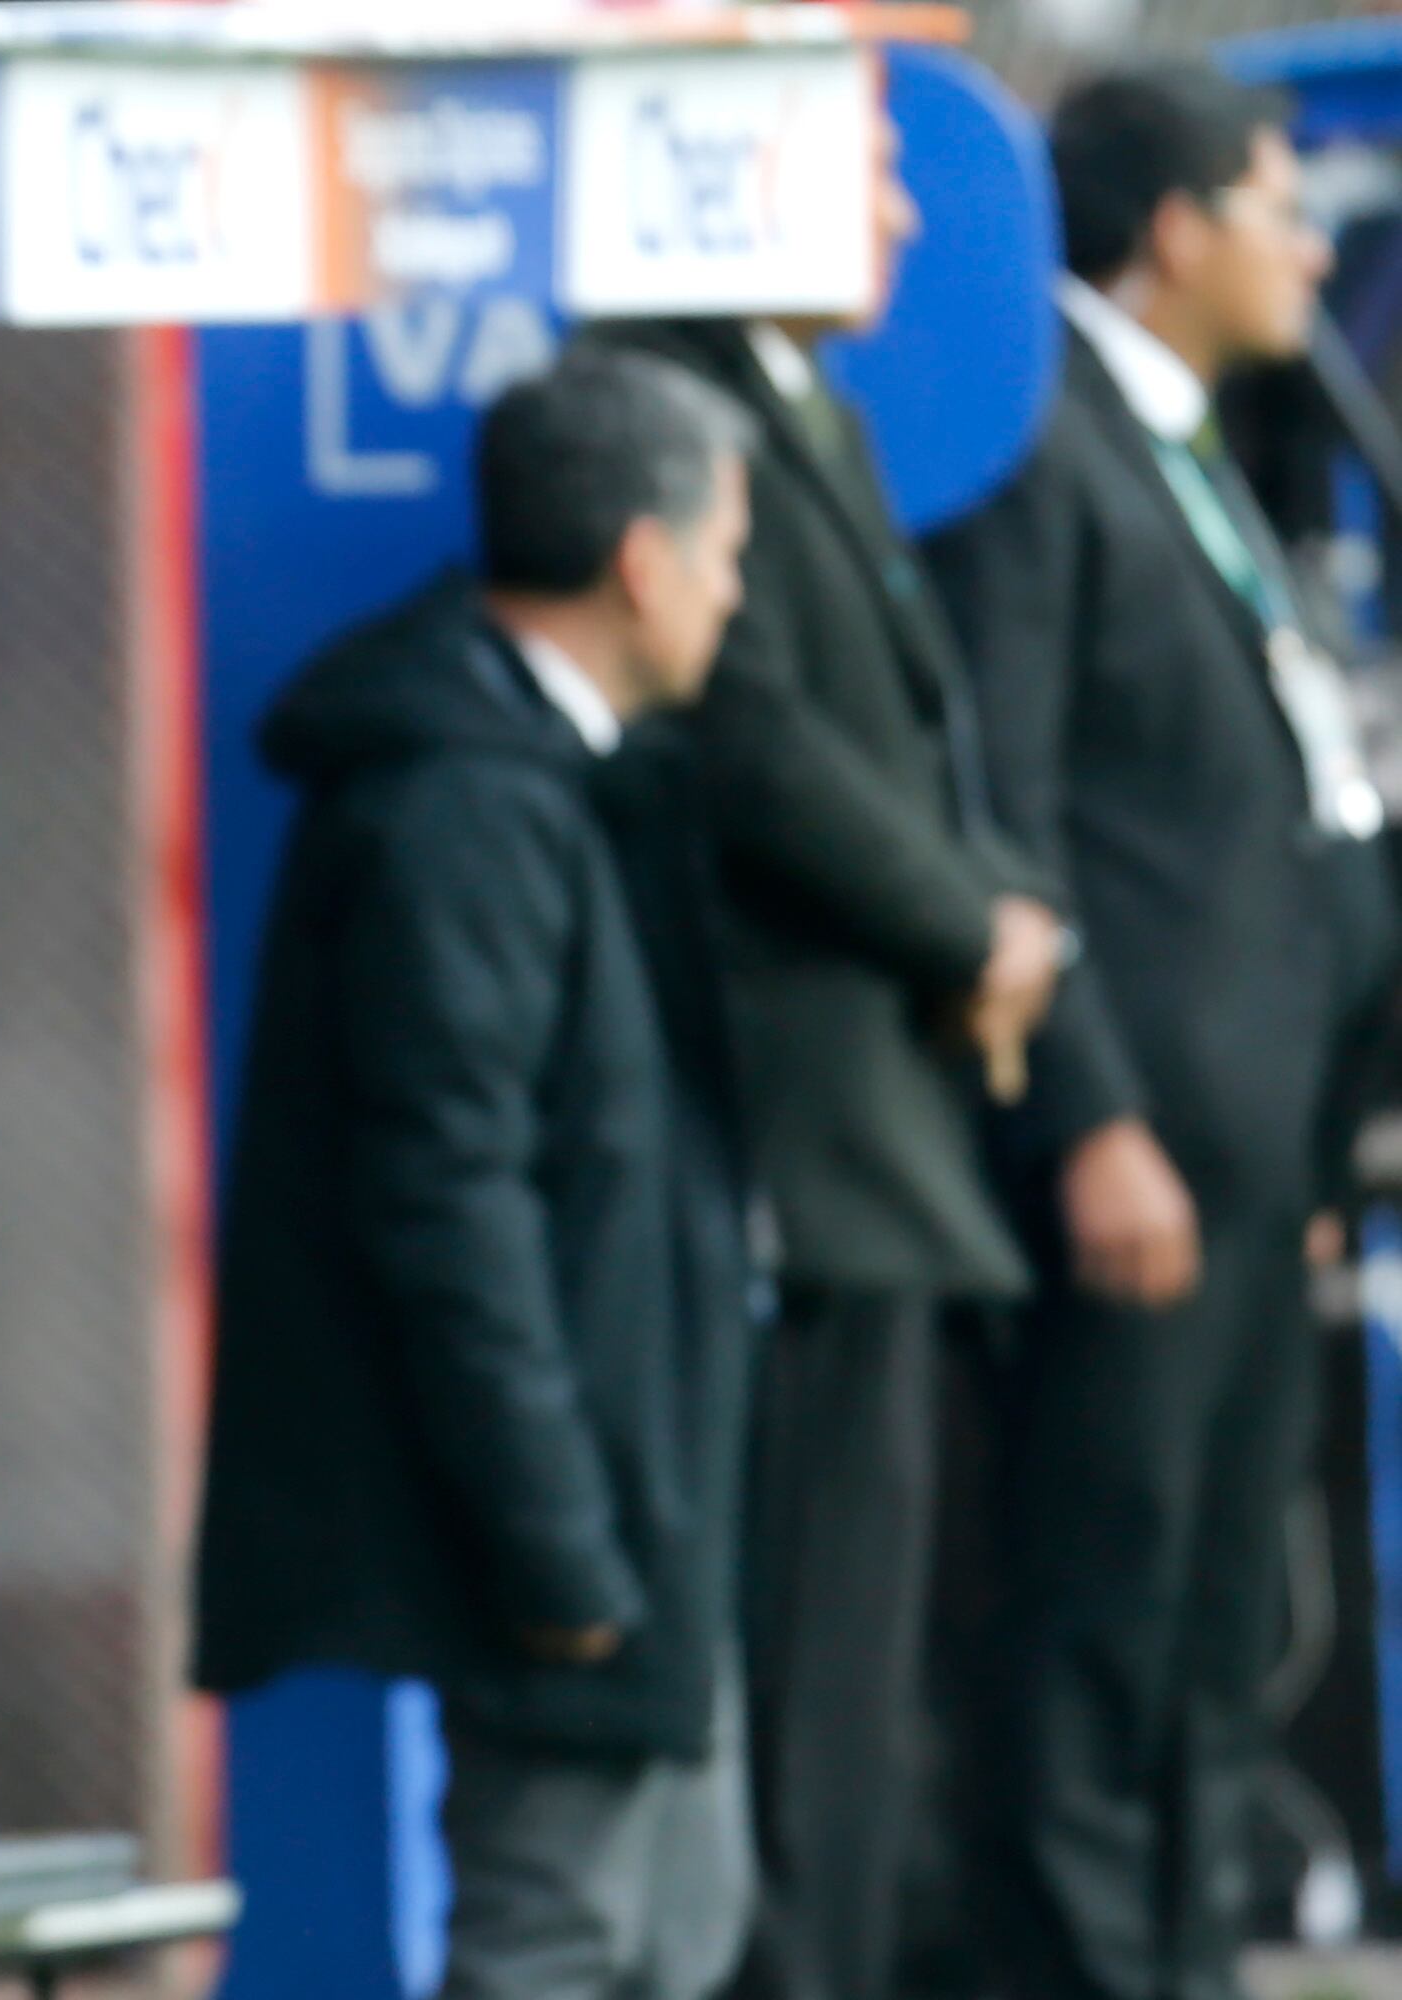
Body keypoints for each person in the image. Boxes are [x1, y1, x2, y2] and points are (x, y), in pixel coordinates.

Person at [195, 350, 759, 2000]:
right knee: (562, 1936)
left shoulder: (544, 774)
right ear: (645, 564)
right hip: (571, 1522)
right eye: (726, 556)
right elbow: (451, 1203)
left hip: (632, 1494)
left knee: (668, 1931)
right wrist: (561, 1543)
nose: (734, 600)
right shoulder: (463, 803)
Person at [592, 115, 1067, 2000]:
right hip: (797, 1153)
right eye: (858, 166)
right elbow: (763, 749)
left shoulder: (823, 418)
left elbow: (919, 751)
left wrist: (1007, 921)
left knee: (871, 1695)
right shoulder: (649, 399)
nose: (896, 212)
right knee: (804, 1695)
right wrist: (965, 930)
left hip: (895, 1141)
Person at [922, 65, 1381, 2000]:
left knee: (1209, 1636)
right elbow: (1007, 814)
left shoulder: (1200, 447)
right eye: (1279, 206)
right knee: (1093, 1635)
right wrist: (1092, 1118)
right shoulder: (1045, 451)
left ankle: (1187, 1964)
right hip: (1143, 1158)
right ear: (1174, 229)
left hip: (1262, 1159)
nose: (1309, 249)